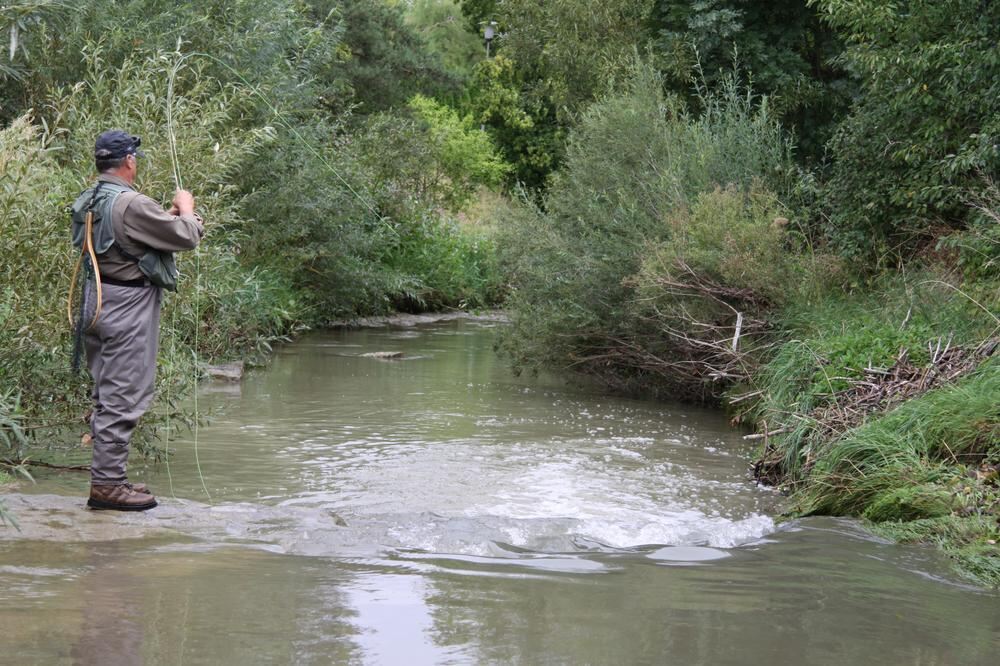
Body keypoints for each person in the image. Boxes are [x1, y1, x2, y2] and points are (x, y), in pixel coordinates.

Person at [71, 129, 204, 511]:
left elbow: (130, 236)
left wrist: (169, 216)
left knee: (106, 392)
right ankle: (108, 486)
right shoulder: (131, 202)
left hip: (95, 301)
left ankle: (110, 477)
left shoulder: (90, 197)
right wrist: (187, 206)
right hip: (127, 306)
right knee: (123, 395)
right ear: (129, 161)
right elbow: (186, 236)